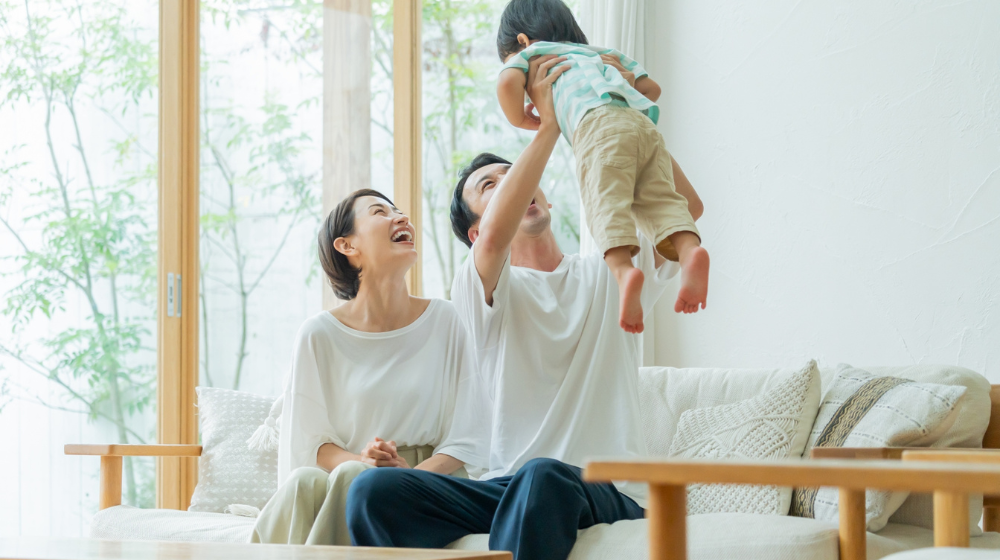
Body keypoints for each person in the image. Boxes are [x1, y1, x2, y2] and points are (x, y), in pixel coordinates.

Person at [344, 51, 704, 560]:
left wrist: (622, 107)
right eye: (489, 186)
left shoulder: (610, 270)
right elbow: (494, 243)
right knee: (370, 493)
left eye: (515, 176)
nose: (512, 185)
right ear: (473, 231)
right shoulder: (479, 288)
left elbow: (686, 210)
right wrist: (549, 126)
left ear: (548, 199)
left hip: (608, 490)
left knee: (542, 477)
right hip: (506, 489)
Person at [250, 188, 487, 546]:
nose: (402, 217)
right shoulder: (318, 335)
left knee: (356, 479)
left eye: (401, 211)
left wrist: (404, 477)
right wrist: (364, 461)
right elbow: (309, 443)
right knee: (308, 482)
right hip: (348, 476)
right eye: (380, 212)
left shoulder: (445, 320)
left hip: (429, 480)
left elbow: (469, 437)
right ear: (347, 246)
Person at [495, 0, 710, 333]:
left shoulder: (535, 54)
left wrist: (521, 117)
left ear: (522, 41)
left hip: (598, 130)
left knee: (605, 203)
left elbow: (507, 83)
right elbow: (652, 91)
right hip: (643, 127)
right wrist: (624, 80)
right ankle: (690, 249)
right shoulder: (597, 53)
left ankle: (624, 272)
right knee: (661, 200)